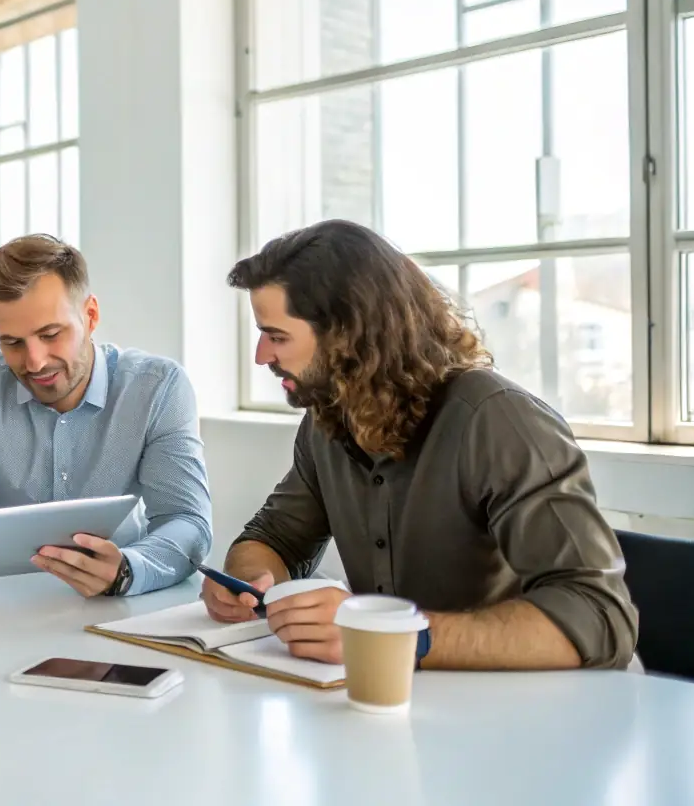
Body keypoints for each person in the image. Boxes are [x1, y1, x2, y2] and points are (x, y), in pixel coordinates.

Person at [203, 220, 637, 671]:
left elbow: (599, 616)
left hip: (531, 713)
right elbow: (273, 538)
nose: (261, 356)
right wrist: (247, 581)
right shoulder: (327, 421)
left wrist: (398, 636)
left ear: (348, 334)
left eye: (277, 336)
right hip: (395, 703)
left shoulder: (497, 421)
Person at [0, 234, 212, 597]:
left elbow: (187, 520)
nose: (35, 362)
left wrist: (126, 570)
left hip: (122, 604)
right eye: (11, 342)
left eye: (51, 334)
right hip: (10, 602)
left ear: (90, 316)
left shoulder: (158, 386)